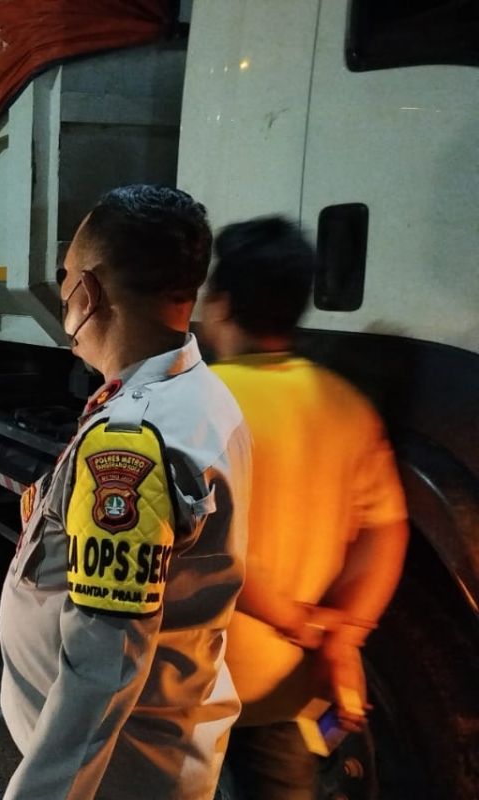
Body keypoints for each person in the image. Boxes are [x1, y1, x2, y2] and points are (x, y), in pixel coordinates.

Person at [0, 185, 251, 799]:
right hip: (157, 751)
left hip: (116, 776)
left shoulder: (131, 441)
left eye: (64, 277)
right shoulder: (201, 395)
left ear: (86, 292)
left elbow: (102, 671)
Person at [200, 216, 409, 799]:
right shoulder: (348, 407)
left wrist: (297, 618)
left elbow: (210, 545)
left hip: (193, 685)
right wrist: (344, 634)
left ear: (220, 304)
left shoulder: (199, 405)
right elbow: (385, 531)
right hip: (293, 686)